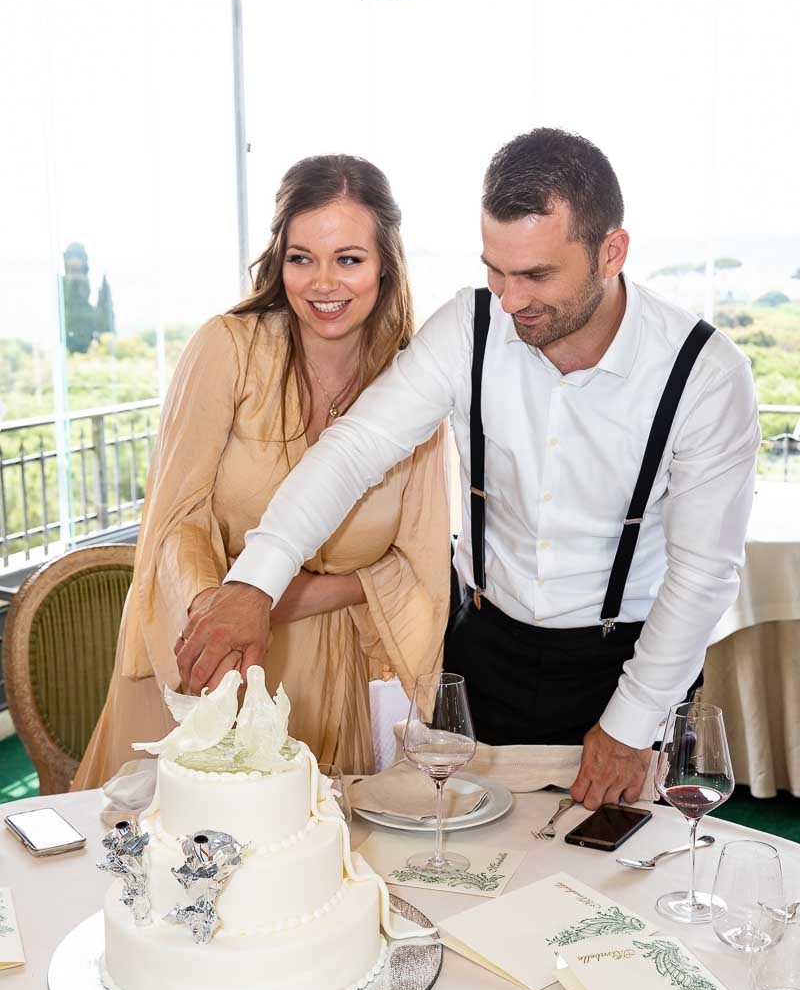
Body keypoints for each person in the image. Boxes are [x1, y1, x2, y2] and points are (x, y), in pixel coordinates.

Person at [175, 129, 761, 810]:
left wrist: (629, 725)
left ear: (612, 252)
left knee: (621, 886)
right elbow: (353, 449)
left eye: (537, 275)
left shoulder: (706, 375)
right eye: (496, 270)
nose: (510, 301)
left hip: (635, 661)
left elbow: (702, 573)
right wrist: (254, 583)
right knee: (476, 879)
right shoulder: (468, 328)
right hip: (486, 651)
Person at [72, 155, 450, 788]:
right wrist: (218, 619)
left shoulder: (414, 383)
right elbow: (176, 520)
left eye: (348, 259)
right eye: (302, 257)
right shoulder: (227, 349)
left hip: (339, 674)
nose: (322, 283)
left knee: (311, 864)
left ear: (386, 262)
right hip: (209, 656)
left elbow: (419, 564)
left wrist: (264, 601)